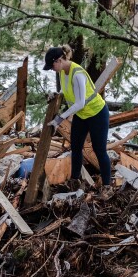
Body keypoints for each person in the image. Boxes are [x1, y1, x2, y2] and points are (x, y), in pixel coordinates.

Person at [43, 45, 112, 188]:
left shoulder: (78, 74)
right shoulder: (62, 71)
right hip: (82, 115)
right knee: (75, 146)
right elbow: (65, 91)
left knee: (99, 151)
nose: (51, 69)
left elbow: (80, 102)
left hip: (97, 113)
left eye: (52, 66)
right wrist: (56, 95)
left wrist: (60, 118)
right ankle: (75, 181)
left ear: (60, 60)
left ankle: (107, 186)